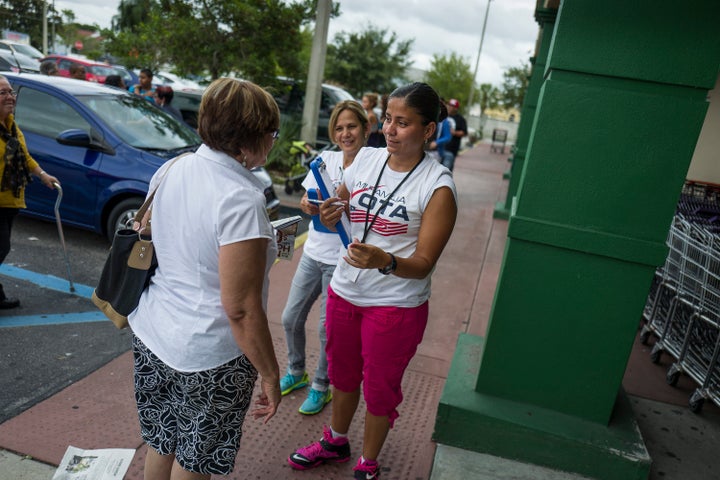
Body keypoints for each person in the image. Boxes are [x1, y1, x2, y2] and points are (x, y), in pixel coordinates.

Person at [288, 82, 458, 479]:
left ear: (428, 130)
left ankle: (368, 461)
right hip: (345, 291)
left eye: (403, 122)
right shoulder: (366, 159)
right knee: (343, 374)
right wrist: (327, 211)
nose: (391, 129)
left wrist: (384, 260)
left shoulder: (438, 186)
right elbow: (341, 205)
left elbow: (424, 263)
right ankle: (336, 440)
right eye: (387, 120)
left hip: (396, 304)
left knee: (380, 389)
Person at [128, 78, 282, 480]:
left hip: (153, 330)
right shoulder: (241, 198)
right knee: (195, 458)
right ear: (250, 137)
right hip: (209, 354)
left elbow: (150, 231)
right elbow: (241, 308)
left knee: (162, 440)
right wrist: (269, 372)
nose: (273, 141)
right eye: (272, 133)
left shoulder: (173, 167)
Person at [280, 100, 371, 416]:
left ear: (365, 128)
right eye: (340, 128)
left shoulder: (374, 165)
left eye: (352, 126)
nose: (346, 134)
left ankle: (321, 386)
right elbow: (307, 197)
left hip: (343, 261)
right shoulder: (325, 160)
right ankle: (296, 370)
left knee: (326, 330)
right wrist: (306, 204)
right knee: (290, 317)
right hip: (313, 253)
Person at [0, 75, 60, 309]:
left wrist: (43, 174)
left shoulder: (12, 125)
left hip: (10, 199)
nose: (10, 97)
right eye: (3, 93)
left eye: (11, 92)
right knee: (1, 247)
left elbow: (24, 156)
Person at [444, 98, 467, 171]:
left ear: (456, 108)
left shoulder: (460, 119)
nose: (450, 107)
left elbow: (464, 132)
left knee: (445, 170)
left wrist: (455, 133)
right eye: (449, 105)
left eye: (452, 106)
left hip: (451, 149)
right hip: (439, 148)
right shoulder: (443, 116)